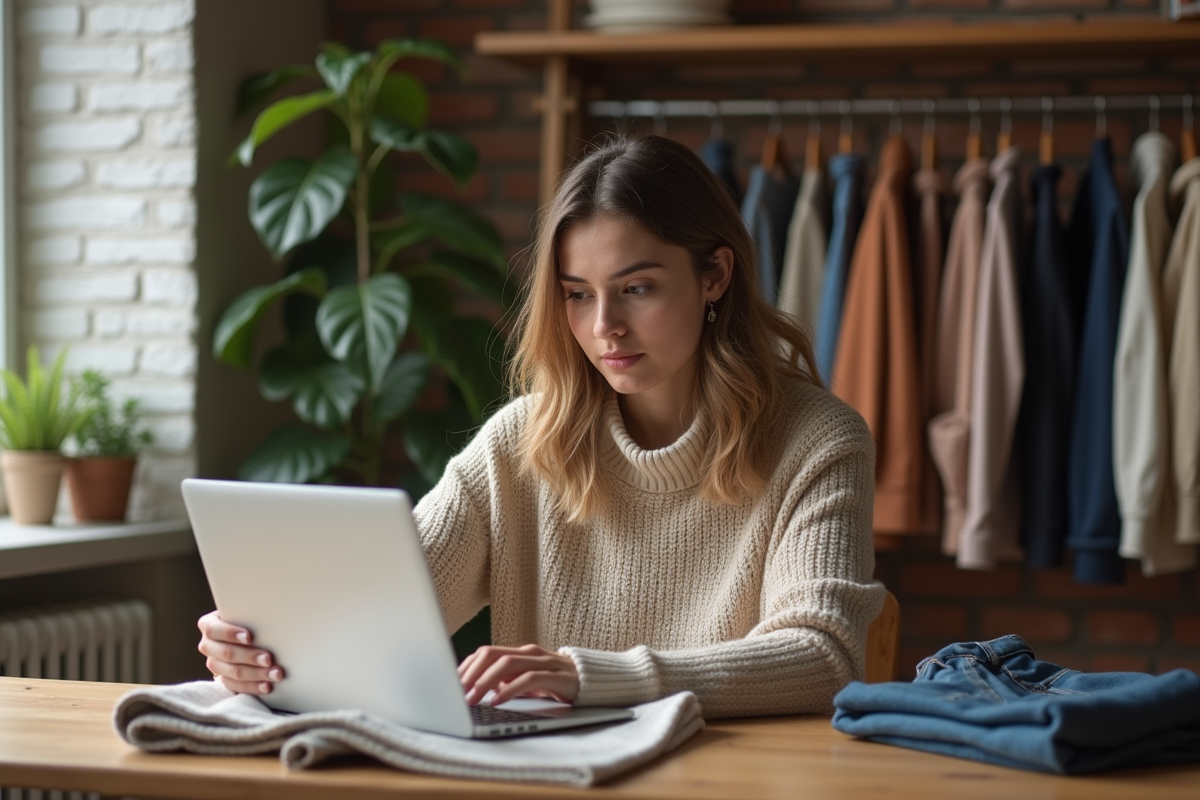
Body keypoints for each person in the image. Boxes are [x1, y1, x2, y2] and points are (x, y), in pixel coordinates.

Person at [197, 134, 885, 719]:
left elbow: (822, 655)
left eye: (637, 288)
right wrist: (263, 644)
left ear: (715, 275)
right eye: (578, 295)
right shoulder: (521, 442)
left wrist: (590, 676)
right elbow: (383, 613)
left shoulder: (818, 440)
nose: (604, 326)